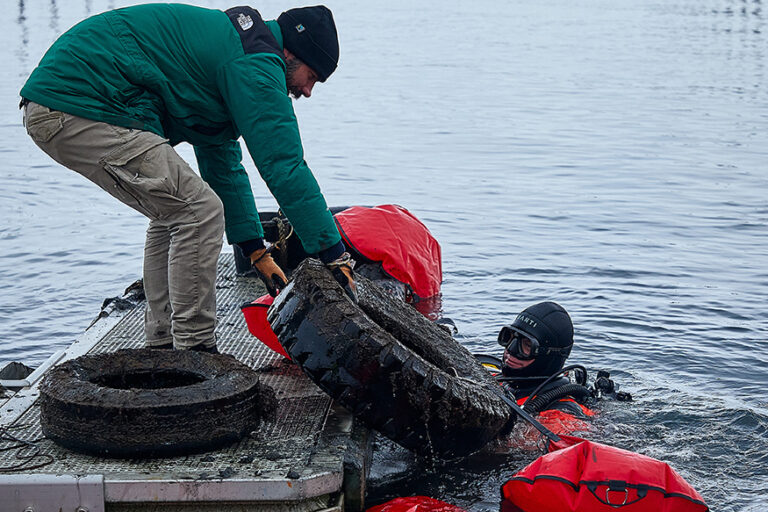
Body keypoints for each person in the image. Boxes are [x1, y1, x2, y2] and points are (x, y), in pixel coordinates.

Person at [19, 4, 356, 354]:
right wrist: (335, 255)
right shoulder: (256, 64)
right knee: (199, 211)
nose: (308, 91)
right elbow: (284, 166)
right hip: (78, 103)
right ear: (291, 53)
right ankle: (196, 352)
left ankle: (163, 345)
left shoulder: (237, 50)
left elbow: (221, 158)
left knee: (175, 211)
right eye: (312, 77)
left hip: (68, 102)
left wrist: (254, 249)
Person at [480, 302, 595, 434]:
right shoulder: (496, 380)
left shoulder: (562, 415)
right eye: (510, 337)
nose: (511, 350)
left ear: (548, 355)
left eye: (527, 345)